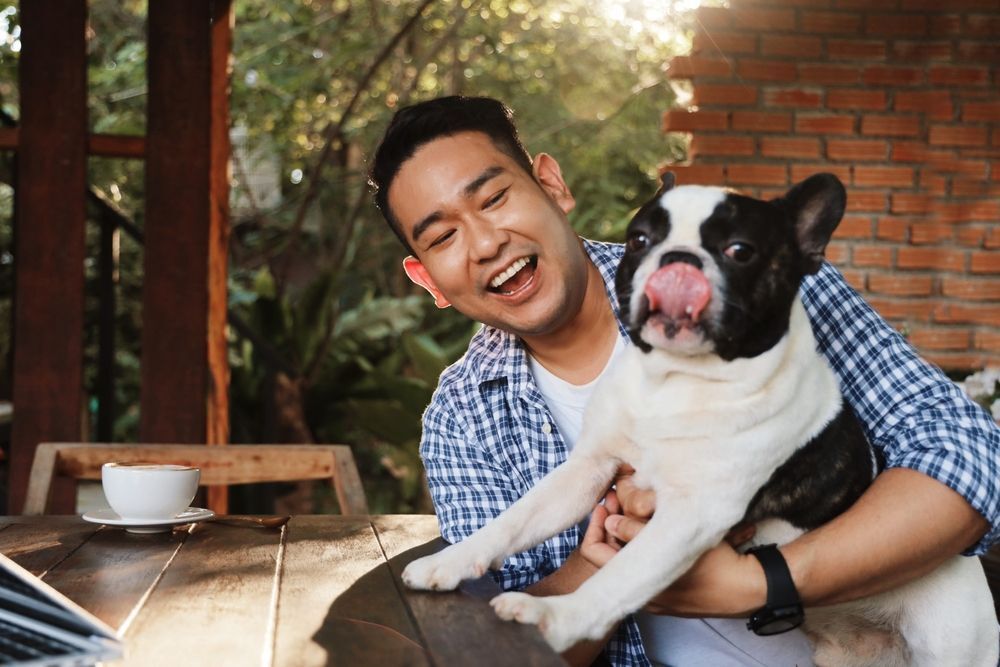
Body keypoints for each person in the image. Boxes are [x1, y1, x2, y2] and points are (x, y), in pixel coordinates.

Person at [368, 95, 1000, 666]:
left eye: (494, 197)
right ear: (427, 281)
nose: (483, 242)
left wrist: (762, 583)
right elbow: (495, 643)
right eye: (444, 235)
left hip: (903, 623)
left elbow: (970, 455)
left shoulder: (760, 281)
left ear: (552, 184)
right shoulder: (461, 418)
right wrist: (605, 554)